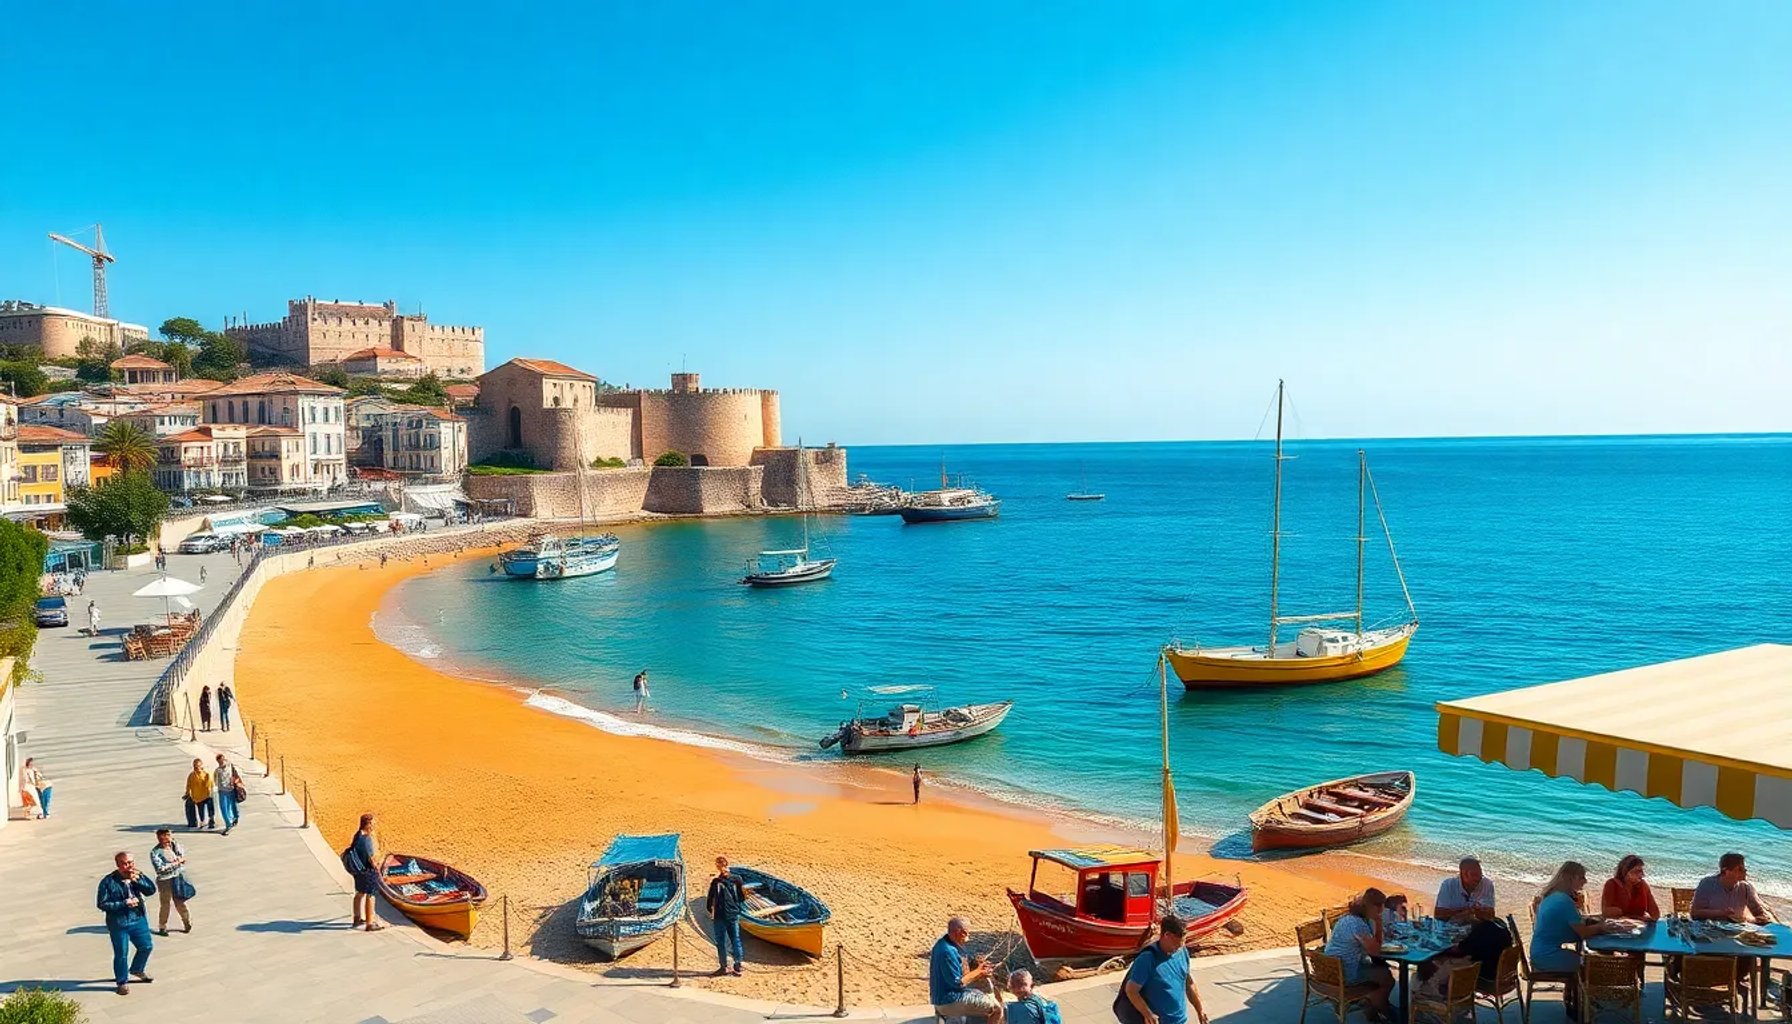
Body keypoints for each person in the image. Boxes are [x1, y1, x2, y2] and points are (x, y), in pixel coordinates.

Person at [1531, 861, 1622, 1016]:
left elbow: (1573, 925)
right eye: (1582, 877)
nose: (1585, 881)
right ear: (1571, 878)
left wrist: (1594, 923)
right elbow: (1583, 933)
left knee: (1582, 959)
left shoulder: (1553, 896)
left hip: (1540, 952)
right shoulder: (1563, 901)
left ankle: (1576, 1001)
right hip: (1547, 956)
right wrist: (1602, 927)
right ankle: (1584, 1003)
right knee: (1590, 965)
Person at [1321, 889, 1394, 1022]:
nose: (1381, 911)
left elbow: (1374, 946)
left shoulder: (1349, 918)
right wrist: (1378, 923)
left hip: (1330, 969)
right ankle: (1380, 1008)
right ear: (1372, 906)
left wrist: (1377, 923)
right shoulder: (1358, 924)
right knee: (1386, 978)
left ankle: (1372, 1007)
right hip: (1344, 973)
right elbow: (1376, 951)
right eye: (1379, 908)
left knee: (1380, 972)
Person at [1124, 914, 1209, 1024]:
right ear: (1167, 935)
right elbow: (1131, 990)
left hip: (1180, 1020)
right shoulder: (1147, 959)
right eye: (1178, 943)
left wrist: (1200, 1010)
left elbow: (1188, 982)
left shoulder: (1182, 952)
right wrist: (1148, 1014)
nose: (1181, 946)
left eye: (1183, 941)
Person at [97, 850, 157, 995]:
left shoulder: (137, 875)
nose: (128, 866)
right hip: (119, 923)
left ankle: (137, 968)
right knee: (121, 953)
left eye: (130, 862)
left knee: (146, 946)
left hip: (138, 918)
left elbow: (151, 890)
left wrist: (139, 880)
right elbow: (102, 903)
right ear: (118, 865)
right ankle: (122, 982)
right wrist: (124, 903)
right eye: (124, 864)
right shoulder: (108, 882)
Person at [929, 916, 1002, 1023]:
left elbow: (961, 970)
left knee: (980, 996)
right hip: (950, 1000)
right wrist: (979, 972)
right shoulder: (948, 952)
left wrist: (979, 970)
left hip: (939, 998)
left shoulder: (942, 943)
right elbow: (959, 983)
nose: (968, 936)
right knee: (997, 1009)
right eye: (967, 933)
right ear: (962, 932)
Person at [1692, 852, 1773, 923]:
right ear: (1725, 871)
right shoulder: (1707, 884)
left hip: (1735, 930)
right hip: (1710, 928)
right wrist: (1721, 913)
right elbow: (1695, 913)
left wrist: (1749, 920)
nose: (1745, 871)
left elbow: (1759, 914)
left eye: (1744, 868)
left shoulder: (1746, 888)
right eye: (1740, 869)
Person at [706, 856, 747, 976]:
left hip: (720, 915)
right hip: (733, 914)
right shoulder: (737, 879)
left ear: (718, 866)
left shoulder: (716, 882)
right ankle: (738, 965)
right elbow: (741, 897)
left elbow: (710, 900)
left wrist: (711, 911)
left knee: (721, 942)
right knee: (735, 939)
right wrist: (736, 907)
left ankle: (724, 967)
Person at [149, 829, 192, 936]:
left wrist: (179, 860)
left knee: (180, 902)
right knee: (165, 904)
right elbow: (160, 869)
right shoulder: (155, 852)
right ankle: (162, 926)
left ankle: (187, 922)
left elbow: (182, 856)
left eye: (169, 838)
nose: (167, 842)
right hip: (165, 881)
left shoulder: (175, 845)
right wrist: (176, 863)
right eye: (164, 839)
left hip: (177, 877)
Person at [1435, 856, 1496, 923]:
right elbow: (1438, 914)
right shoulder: (1448, 885)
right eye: (1474, 875)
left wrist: (1475, 912)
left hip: (1477, 927)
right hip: (1451, 928)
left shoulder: (1487, 884)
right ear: (1463, 874)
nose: (1478, 878)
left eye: (1480, 874)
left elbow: (1491, 915)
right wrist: (1466, 911)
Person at [1600, 855, 1660, 921]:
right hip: (1617, 926)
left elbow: (1655, 914)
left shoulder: (1642, 885)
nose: (1642, 875)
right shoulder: (1612, 884)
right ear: (1626, 872)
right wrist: (1631, 914)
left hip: (1638, 926)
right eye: (1638, 871)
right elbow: (1606, 912)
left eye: (1642, 871)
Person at [350, 813, 383, 930]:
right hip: (367, 870)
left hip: (358, 870)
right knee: (371, 895)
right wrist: (377, 868)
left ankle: (357, 919)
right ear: (368, 824)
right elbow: (371, 858)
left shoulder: (357, 835)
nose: (374, 826)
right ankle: (370, 923)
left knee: (359, 893)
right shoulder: (367, 839)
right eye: (373, 824)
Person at [214, 753, 241, 835]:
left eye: (222, 760)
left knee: (232, 806)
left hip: (231, 789)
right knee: (224, 808)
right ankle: (228, 824)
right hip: (222, 791)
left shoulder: (230, 766)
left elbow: (236, 775)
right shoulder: (217, 770)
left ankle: (234, 818)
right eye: (219, 760)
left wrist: (237, 782)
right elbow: (215, 780)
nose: (221, 762)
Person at [185, 757, 215, 829]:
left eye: (198, 766)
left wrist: (208, 780)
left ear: (201, 766)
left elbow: (210, 785)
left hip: (206, 795)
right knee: (200, 809)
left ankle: (211, 819)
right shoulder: (191, 775)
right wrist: (187, 793)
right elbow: (188, 785)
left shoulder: (205, 774)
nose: (196, 768)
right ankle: (202, 821)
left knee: (210, 804)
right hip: (197, 796)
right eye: (195, 766)